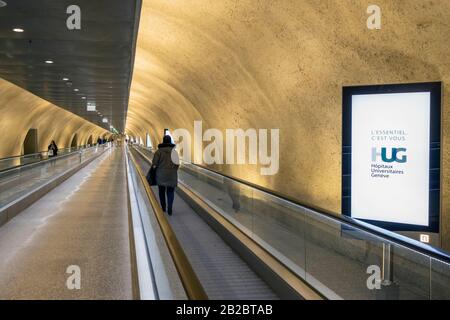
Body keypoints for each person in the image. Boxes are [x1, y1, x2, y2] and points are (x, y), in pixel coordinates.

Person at [151, 135, 179, 216]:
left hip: (161, 175)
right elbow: (177, 164)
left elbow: (154, 163)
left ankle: (163, 207)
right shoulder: (174, 152)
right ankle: (170, 207)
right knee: (170, 191)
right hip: (172, 175)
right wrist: (173, 170)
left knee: (161, 191)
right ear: (170, 141)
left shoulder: (158, 152)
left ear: (163, 141)